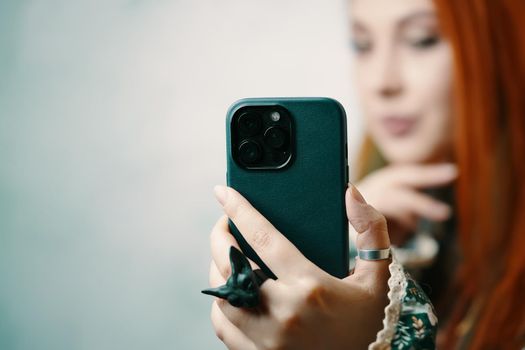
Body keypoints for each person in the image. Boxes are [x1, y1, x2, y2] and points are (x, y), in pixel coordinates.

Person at [206, 0, 525, 348]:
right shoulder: (375, 216)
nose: (381, 81)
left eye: (422, 40)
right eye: (363, 44)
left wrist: (377, 338)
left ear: (504, 44)